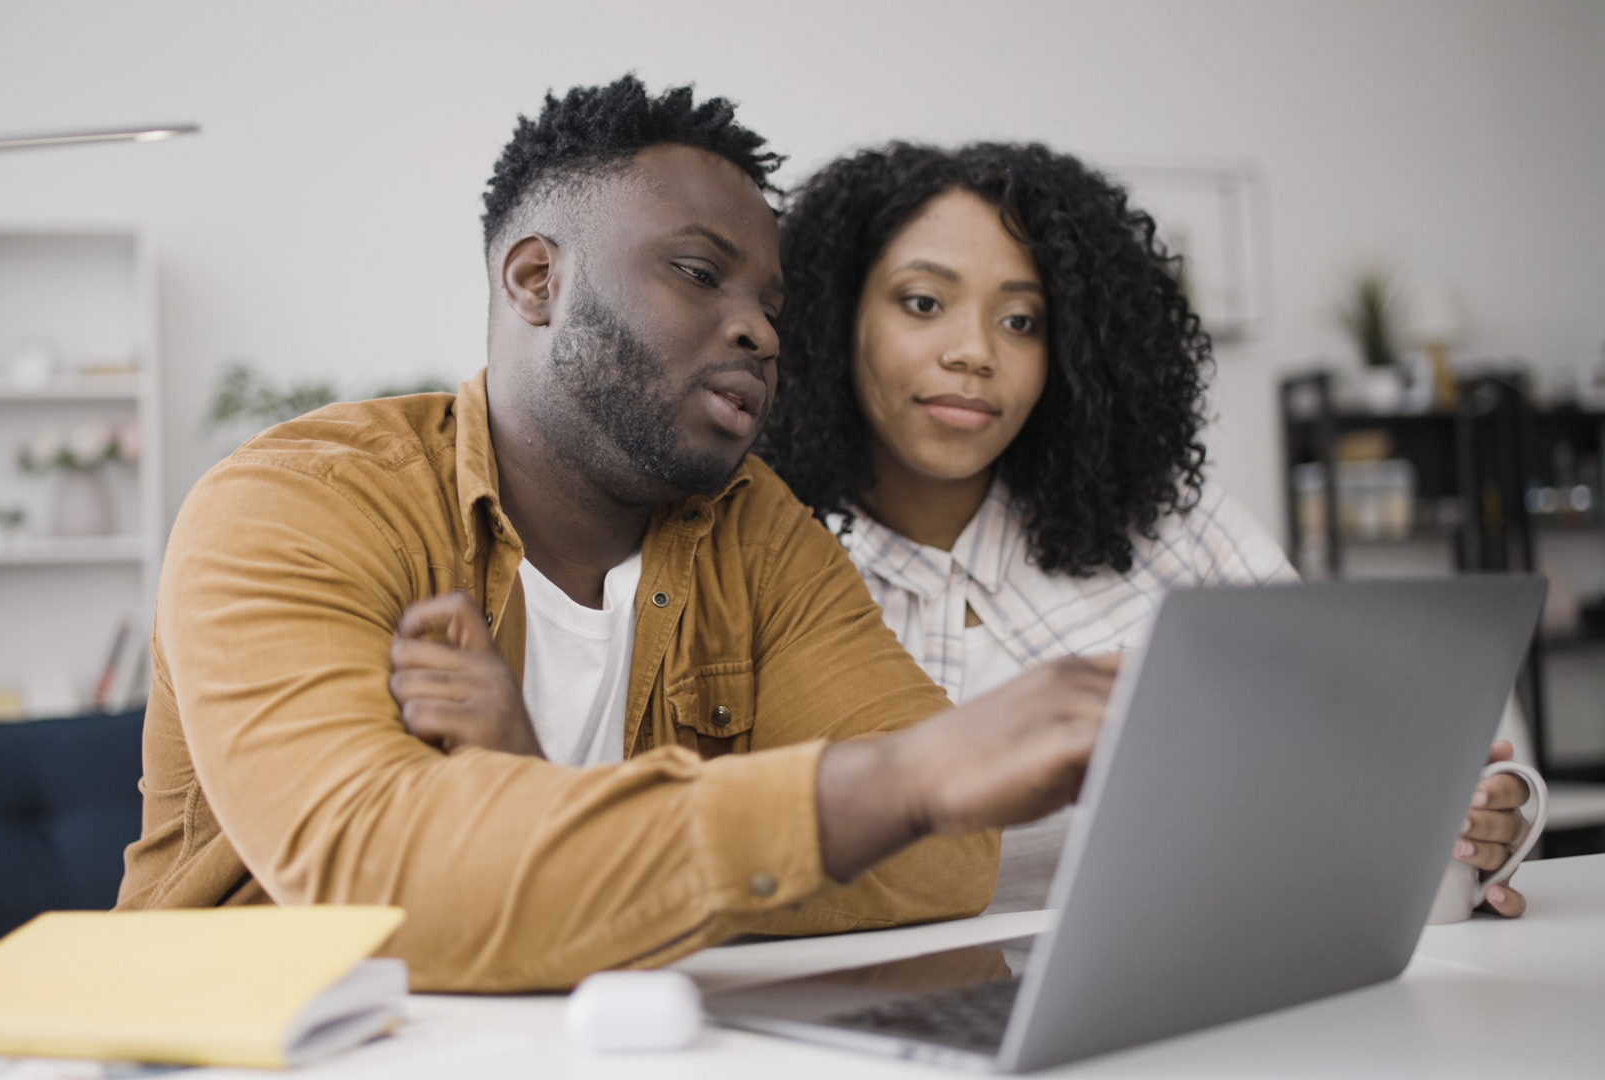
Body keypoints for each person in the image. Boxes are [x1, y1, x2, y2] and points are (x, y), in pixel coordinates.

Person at [117, 79, 1119, 991]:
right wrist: (896, 784)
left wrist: (547, 798)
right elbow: (375, 890)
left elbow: (943, 859)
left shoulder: (756, 530)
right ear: (534, 280)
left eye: (769, 305)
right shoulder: (298, 504)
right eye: (698, 273)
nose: (762, 332)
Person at [756, 141, 1535, 915]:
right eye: (923, 303)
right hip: (876, 1017)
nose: (975, 353)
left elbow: (1356, 746)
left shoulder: (1176, 532)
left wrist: (1476, 819)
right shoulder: (760, 564)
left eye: (1023, 320)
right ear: (835, 318)